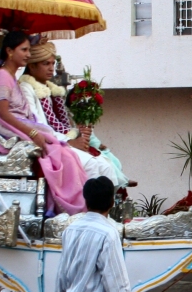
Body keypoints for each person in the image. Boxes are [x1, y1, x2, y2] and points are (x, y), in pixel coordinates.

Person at [0, 31, 88, 215]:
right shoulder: (2, 77)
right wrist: (33, 134)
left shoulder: (9, 76)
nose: (28, 55)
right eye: (24, 50)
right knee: (61, 154)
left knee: (67, 154)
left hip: (20, 130)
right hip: (9, 136)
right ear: (9, 51)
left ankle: (74, 205)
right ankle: (65, 207)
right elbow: (4, 114)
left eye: (29, 50)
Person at [19, 42, 119, 185]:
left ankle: (105, 207)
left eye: (53, 63)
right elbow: (38, 125)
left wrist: (79, 134)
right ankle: (86, 207)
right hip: (48, 144)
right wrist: (69, 141)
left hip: (62, 140)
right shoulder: (26, 88)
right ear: (32, 66)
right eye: (46, 64)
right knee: (91, 165)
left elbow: (63, 122)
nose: (51, 69)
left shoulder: (51, 88)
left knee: (105, 166)